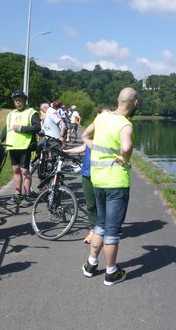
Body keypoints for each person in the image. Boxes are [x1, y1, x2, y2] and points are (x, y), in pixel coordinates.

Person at [81, 87, 138, 286]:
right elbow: (127, 147)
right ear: (135, 103)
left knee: (100, 224)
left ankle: (91, 264)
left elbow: (85, 136)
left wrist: (96, 149)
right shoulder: (125, 124)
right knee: (112, 230)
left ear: (117, 99)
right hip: (116, 183)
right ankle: (111, 272)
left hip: (98, 180)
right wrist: (125, 158)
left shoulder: (102, 118)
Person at [63, 104, 110, 244]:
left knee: (103, 204)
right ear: (97, 116)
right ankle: (93, 229)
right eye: (101, 114)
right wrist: (66, 152)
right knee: (90, 204)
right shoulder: (91, 132)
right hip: (87, 173)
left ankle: (102, 230)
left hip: (102, 173)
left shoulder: (110, 133)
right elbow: (84, 147)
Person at [0, 90, 41, 205]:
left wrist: (21, 128)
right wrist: (0, 138)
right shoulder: (11, 114)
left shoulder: (31, 112)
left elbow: (37, 128)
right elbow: (7, 128)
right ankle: (17, 194)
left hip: (25, 145)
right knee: (15, 170)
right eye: (16, 100)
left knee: (24, 171)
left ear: (25, 100)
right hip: (13, 146)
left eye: (20, 99)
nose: (18, 101)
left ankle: (27, 195)